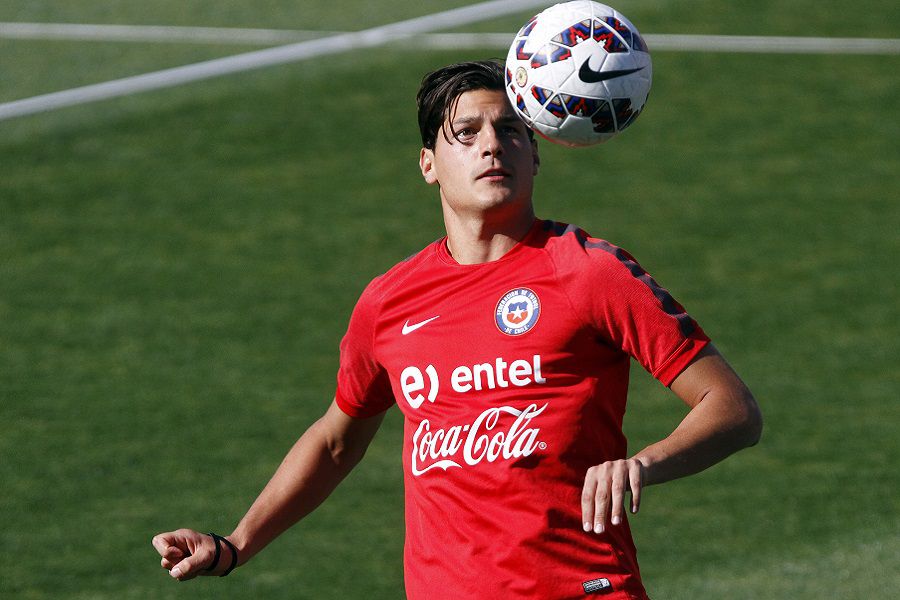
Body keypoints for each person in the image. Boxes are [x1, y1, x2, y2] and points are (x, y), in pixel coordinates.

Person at [152, 60, 762, 599]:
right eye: (466, 134)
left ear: (536, 152)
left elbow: (732, 407)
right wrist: (233, 546)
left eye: (510, 130)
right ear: (428, 165)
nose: (491, 146)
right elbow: (338, 440)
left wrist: (644, 463)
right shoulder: (389, 301)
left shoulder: (589, 271)